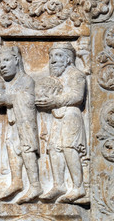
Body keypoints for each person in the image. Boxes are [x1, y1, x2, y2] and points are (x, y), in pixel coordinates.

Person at [0, 46, 42, 204]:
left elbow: (27, 100)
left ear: (16, 60)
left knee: (27, 148)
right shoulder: (10, 83)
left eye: (6, 60)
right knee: (11, 147)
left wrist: (7, 99)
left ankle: (35, 185)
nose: (2, 65)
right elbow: (8, 97)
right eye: (0, 63)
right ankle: (17, 181)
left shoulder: (26, 80)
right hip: (14, 123)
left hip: (26, 123)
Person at [36, 42, 87, 203]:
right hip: (59, 115)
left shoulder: (76, 74)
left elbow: (77, 96)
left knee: (68, 147)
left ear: (68, 59)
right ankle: (59, 185)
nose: (53, 60)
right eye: (51, 56)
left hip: (71, 115)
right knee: (53, 148)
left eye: (58, 56)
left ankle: (78, 187)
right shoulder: (57, 77)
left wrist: (54, 101)